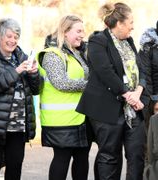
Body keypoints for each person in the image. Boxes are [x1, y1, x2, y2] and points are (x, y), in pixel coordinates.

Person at [76, 2, 148, 180]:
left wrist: (138, 91)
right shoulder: (97, 41)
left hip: (133, 110)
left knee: (137, 155)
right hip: (106, 109)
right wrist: (128, 95)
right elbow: (105, 72)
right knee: (110, 157)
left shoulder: (129, 41)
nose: (133, 26)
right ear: (119, 23)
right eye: (130, 21)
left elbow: (141, 70)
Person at [0, 18, 42, 180]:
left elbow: (36, 89)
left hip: (18, 126)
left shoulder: (21, 55)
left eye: (16, 37)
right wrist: (17, 70)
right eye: (9, 36)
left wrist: (33, 74)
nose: (13, 41)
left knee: (15, 166)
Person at [37, 15, 91, 180]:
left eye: (83, 31)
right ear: (65, 32)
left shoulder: (77, 53)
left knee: (82, 159)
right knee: (62, 159)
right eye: (78, 31)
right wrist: (90, 85)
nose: (82, 35)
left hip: (79, 118)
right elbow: (61, 83)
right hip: (60, 121)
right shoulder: (53, 54)